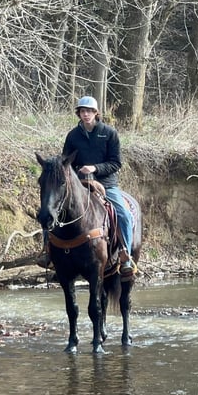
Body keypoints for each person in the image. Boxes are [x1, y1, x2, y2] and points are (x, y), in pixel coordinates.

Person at [37, 95, 137, 275]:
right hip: (78, 184)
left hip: (106, 183)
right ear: (79, 114)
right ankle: (49, 251)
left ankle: (125, 254)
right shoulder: (73, 136)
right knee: (50, 209)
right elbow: (65, 162)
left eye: (89, 111)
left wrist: (95, 168)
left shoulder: (109, 133)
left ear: (96, 113)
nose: (86, 114)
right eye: (83, 111)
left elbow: (116, 163)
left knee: (123, 214)